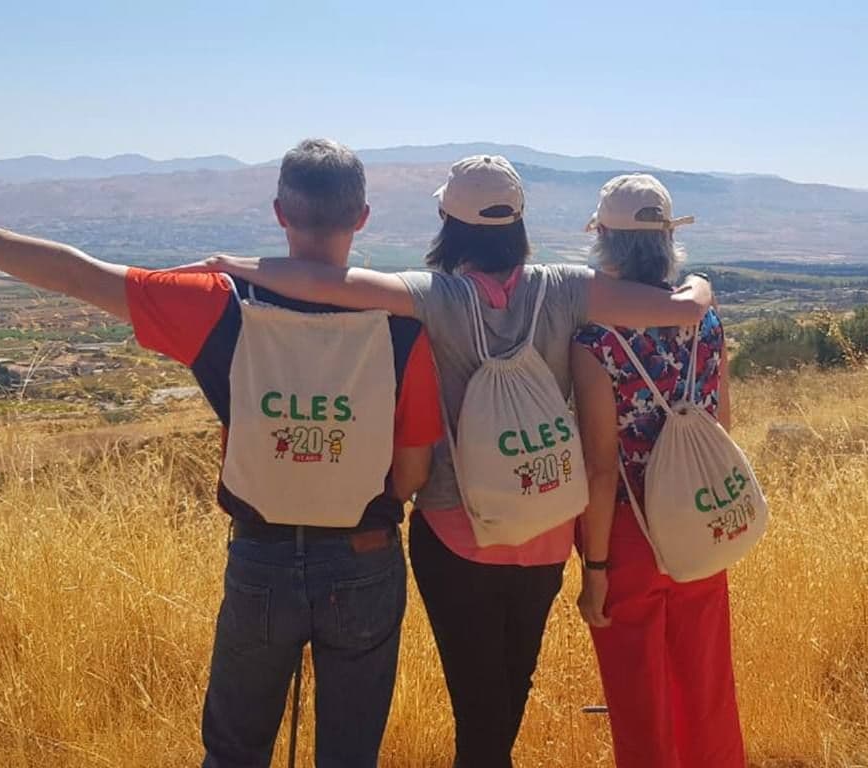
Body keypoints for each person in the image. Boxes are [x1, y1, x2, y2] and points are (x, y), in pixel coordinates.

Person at [0, 139, 444, 768]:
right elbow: (412, 472)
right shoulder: (403, 321)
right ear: (362, 218)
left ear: (280, 212)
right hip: (365, 560)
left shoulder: (216, 304)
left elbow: (73, 273)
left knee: (234, 753)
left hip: (263, 558)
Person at [181, 156, 716, 768]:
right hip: (544, 527)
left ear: (446, 223)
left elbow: (332, 283)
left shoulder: (431, 295)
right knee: (507, 702)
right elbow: (679, 307)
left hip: (455, 535)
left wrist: (236, 266)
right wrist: (698, 288)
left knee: (478, 706)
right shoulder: (566, 288)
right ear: (518, 223)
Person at [571, 174, 744, 768]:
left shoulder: (596, 339)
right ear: (668, 239)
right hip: (699, 516)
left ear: (606, 244)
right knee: (707, 688)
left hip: (628, 530)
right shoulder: (707, 321)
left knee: (640, 703)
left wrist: (595, 570)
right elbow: (722, 422)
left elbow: (599, 466)